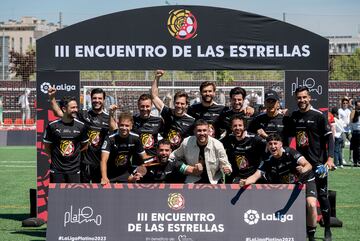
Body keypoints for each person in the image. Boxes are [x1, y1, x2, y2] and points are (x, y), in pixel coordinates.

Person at [239, 133, 318, 241]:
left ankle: (311, 236)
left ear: (281, 144)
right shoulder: (267, 159)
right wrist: (245, 181)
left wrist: (303, 170)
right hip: (289, 185)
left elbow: (308, 165)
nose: (273, 146)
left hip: (306, 180)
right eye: (270, 144)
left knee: (311, 205)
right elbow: (255, 176)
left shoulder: (290, 152)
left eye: (275, 143)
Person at [288, 86, 335, 241]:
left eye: (304, 97)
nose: (301, 100)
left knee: (322, 196)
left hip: (319, 165)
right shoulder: (294, 116)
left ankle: (327, 229)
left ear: (310, 98)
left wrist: (330, 158)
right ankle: (308, 232)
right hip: (302, 165)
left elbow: (330, 138)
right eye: (299, 98)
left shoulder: (319, 116)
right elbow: (286, 135)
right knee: (306, 199)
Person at [49, 87, 110, 183]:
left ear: (104, 100)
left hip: (100, 163)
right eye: (94, 98)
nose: (97, 101)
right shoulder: (82, 114)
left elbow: (116, 130)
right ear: (90, 99)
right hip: (83, 162)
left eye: (99, 98)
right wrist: (52, 97)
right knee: (81, 193)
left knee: (99, 194)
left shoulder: (108, 118)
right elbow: (59, 113)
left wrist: (112, 114)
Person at [169, 119, 232, 184]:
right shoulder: (186, 142)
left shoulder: (218, 145)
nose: (202, 133)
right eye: (199, 131)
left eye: (204, 130)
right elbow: (173, 157)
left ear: (208, 131)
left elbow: (225, 164)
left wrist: (227, 169)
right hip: (192, 179)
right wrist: (185, 168)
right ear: (194, 131)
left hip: (214, 180)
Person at [43, 96, 89, 183]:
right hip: (57, 170)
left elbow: (85, 146)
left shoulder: (81, 126)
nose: (76, 109)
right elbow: (47, 147)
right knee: (57, 196)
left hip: (74, 170)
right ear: (64, 109)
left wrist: (74, 155)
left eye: (76, 107)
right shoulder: (52, 126)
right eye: (72, 107)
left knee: (74, 196)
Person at [100, 112, 150, 184]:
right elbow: (103, 160)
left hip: (126, 173)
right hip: (109, 173)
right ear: (118, 124)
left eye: (127, 126)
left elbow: (144, 157)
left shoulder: (135, 138)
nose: (124, 128)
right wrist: (104, 177)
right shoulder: (110, 138)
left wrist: (156, 159)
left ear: (131, 126)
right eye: (122, 125)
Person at [151, 70, 195, 150]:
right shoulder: (167, 112)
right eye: (177, 103)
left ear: (186, 105)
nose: (179, 106)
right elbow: (154, 97)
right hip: (166, 153)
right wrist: (157, 78)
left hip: (181, 154)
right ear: (174, 103)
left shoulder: (191, 121)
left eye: (182, 104)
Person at [222, 115, 267, 183]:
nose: (237, 128)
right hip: (236, 178)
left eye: (240, 125)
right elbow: (215, 145)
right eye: (235, 126)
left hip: (253, 178)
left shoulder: (255, 139)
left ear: (244, 127)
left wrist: (266, 136)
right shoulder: (228, 139)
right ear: (231, 127)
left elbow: (270, 146)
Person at [350, 100, 360, 167]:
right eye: (358, 105)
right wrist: (354, 110)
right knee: (355, 148)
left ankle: (358, 161)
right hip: (355, 132)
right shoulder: (353, 112)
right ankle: (355, 162)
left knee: (359, 148)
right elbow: (351, 120)